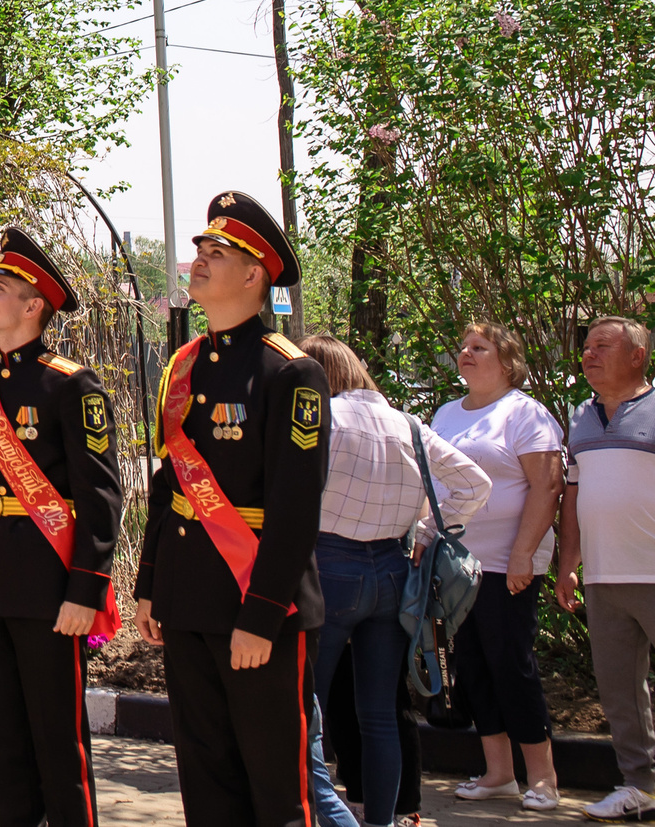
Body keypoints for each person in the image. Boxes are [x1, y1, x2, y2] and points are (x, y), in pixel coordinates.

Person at [135, 191, 328, 827]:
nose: (199, 259)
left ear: (253, 276)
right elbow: (168, 486)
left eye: (217, 253)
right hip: (188, 598)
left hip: (256, 603)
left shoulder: (290, 373)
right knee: (206, 781)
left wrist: (262, 614)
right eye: (200, 249)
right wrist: (149, 585)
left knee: (276, 790)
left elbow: (296, 510)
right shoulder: (183, 365)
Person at [0, 230, 124, 827]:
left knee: (58, 745)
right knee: (4, 747)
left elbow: (101, 496)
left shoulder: (70, 383)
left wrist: (85, 590)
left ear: (33, 306)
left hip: (50, 585)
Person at [295, 333, 487, 827]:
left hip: (329, 566)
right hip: (392, 569)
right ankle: (382, 820)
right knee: (379, 714)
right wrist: (427, 531)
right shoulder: (407, 424)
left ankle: (328, 815)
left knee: (304, 706)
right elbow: (474, 483)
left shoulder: (323, 420)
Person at [432, 320, 567, 810]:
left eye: (480, 347)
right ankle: (499, 773)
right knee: (472, 666)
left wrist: (523, 554)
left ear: (508, 361)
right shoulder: (445, 413)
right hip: (456, 565)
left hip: (507, 565)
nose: (466, 353)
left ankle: (544, 779)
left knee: (511, 665)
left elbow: (547, 486)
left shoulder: (525, 413)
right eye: (463, 346)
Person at [555, 315, 655, 821]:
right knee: (619, 694)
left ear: (637, 356)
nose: (588, 354)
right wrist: (568, 565)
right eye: (587, 346)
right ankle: (640, 786)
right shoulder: (581, 417)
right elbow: (573, 496)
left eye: (602, 346)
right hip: (602, 578)